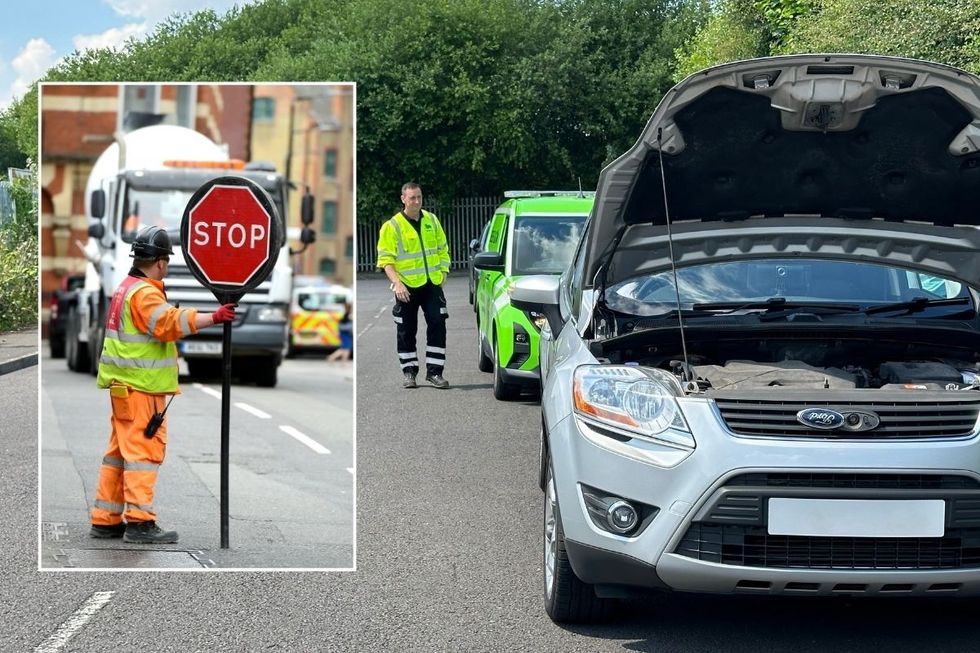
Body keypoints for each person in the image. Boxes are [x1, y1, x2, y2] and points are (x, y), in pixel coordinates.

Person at [89, 225, 237, 544]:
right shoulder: (145, 293)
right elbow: (168, 324)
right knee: (143, 454)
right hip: (141, 388)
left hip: (123, 387)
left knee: (119, 454)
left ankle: (106, 518)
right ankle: (140, 522)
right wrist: (214, 317)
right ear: (159, 262)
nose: (166, 267)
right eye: (166, 261)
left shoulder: (125, 287)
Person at [376, 182, 451, 389]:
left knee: (438, 324)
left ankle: (435, 373)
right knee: (406, 330)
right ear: (403, 199)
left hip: (432, 284)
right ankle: (409, 372)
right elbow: (386, 260)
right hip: (406, 287)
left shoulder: (432, 220)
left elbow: (443, 248)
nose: (416, 201)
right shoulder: (392, 226)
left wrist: (443, 273)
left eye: (419, 197)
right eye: (412, 198)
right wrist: (397, 284)